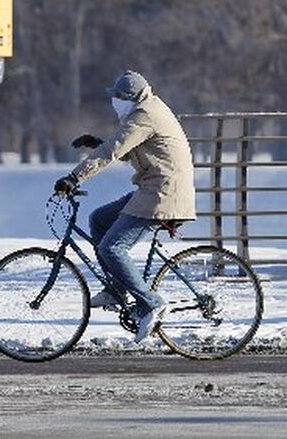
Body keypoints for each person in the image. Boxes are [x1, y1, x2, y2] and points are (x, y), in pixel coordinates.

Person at [54, 70, 196, 342]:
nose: (114, 102)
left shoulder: (144, 115)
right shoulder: (147, 110)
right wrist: (97, 143)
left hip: (163, 195)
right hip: (154, 189)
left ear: (131, 98)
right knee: (99, 220)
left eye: (118, 97)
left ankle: (152, 303)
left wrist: (74, 177)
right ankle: (117, 289)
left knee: (112, 247)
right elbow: (130, 147)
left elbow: (113, 150)